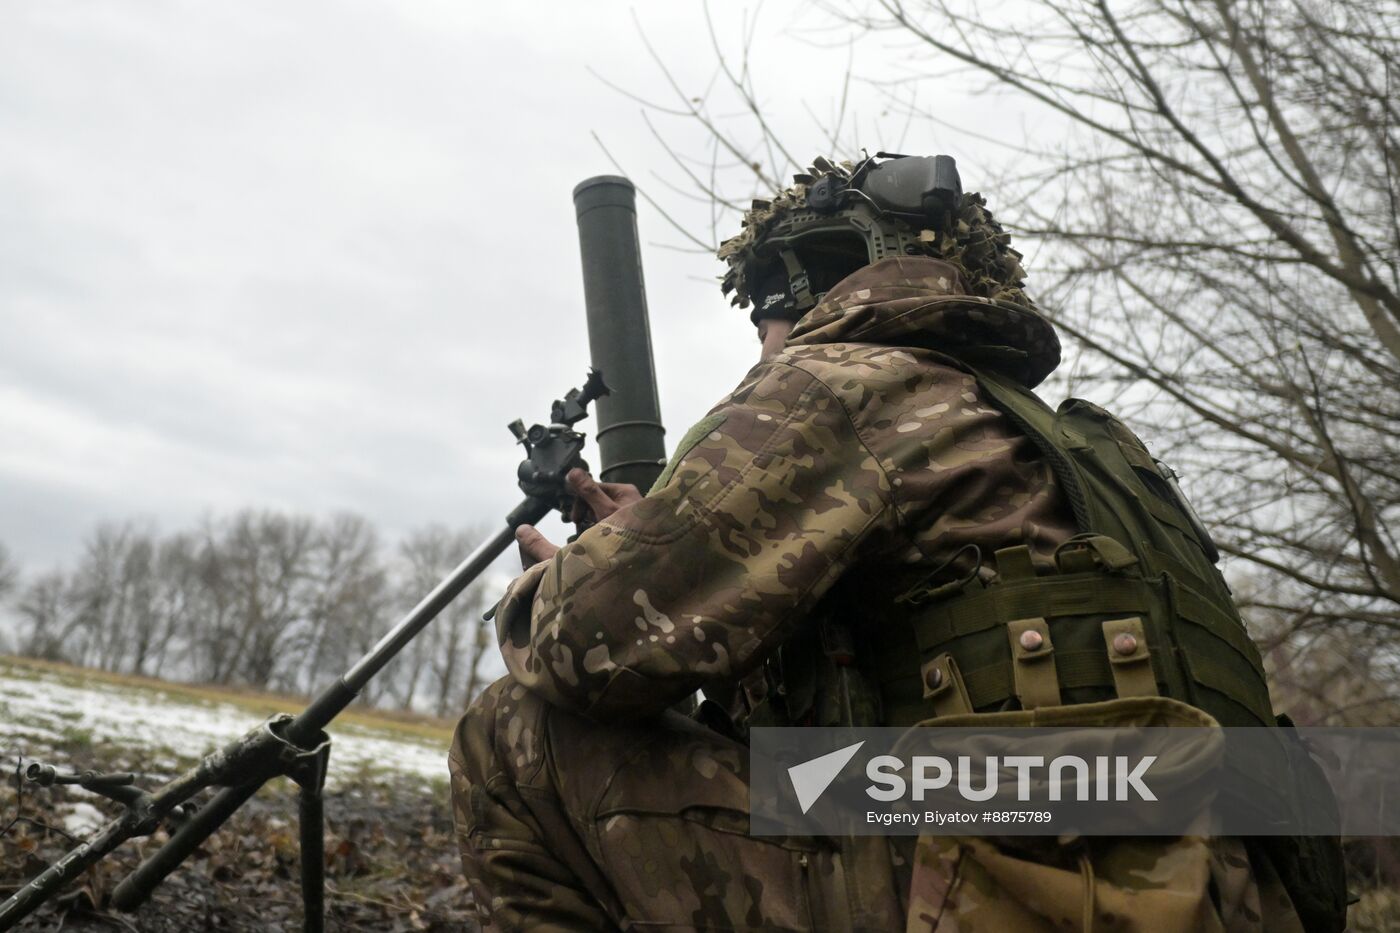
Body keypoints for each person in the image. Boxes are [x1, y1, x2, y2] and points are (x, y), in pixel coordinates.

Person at [449, 154, 1343, 931]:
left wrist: (578, 574)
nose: (761, 335)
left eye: (765, 300)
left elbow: (585, 646)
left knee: (514, 734)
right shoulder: (1087, 446)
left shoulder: (845, 381)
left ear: (819, 277)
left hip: (1020, 888)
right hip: (1210, 891)